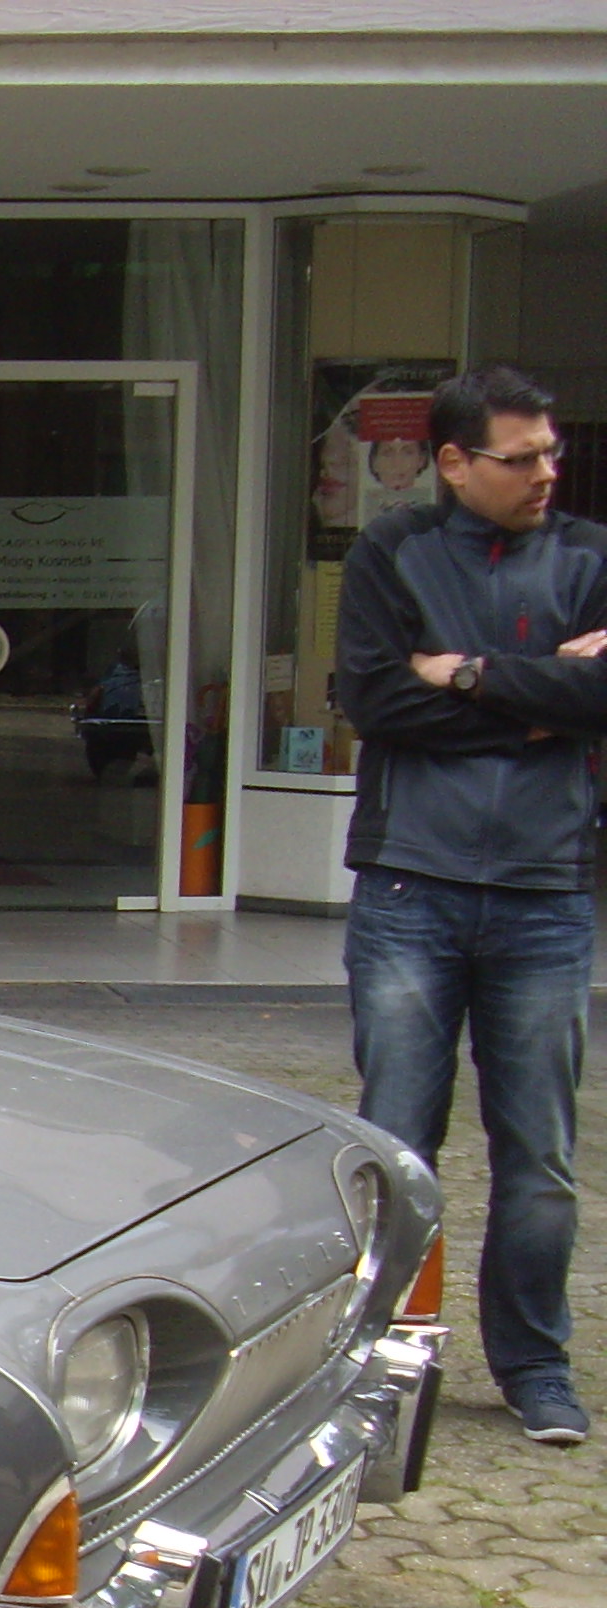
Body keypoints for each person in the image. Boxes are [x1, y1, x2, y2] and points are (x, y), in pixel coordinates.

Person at [336, 363, 607, 1444]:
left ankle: (535, 1366)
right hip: (412, 888)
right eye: (520, 456)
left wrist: (468, 674)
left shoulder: (590, 556)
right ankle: (370, 1362)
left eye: (551, 454)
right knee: (398, 1145)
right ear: (452, 463)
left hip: (546, 895)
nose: (546, 473)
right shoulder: (391, 552)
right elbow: (375, 699)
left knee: (539, 1156)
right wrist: (549, 696)